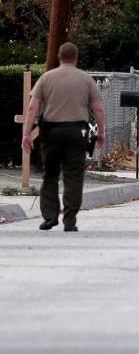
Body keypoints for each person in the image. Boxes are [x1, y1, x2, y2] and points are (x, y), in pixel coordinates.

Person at [21, 42, 105, 232]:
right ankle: (70, 219)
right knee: (73, 175)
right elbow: (98, 107)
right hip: (78, 131)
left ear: (59, 57)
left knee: (50, 174)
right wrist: (101, 132)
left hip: (52, 131)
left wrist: (27, 134)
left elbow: (33, 106)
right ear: (76, 58)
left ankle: (50, 216)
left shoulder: (46, 78)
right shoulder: (86, 79)